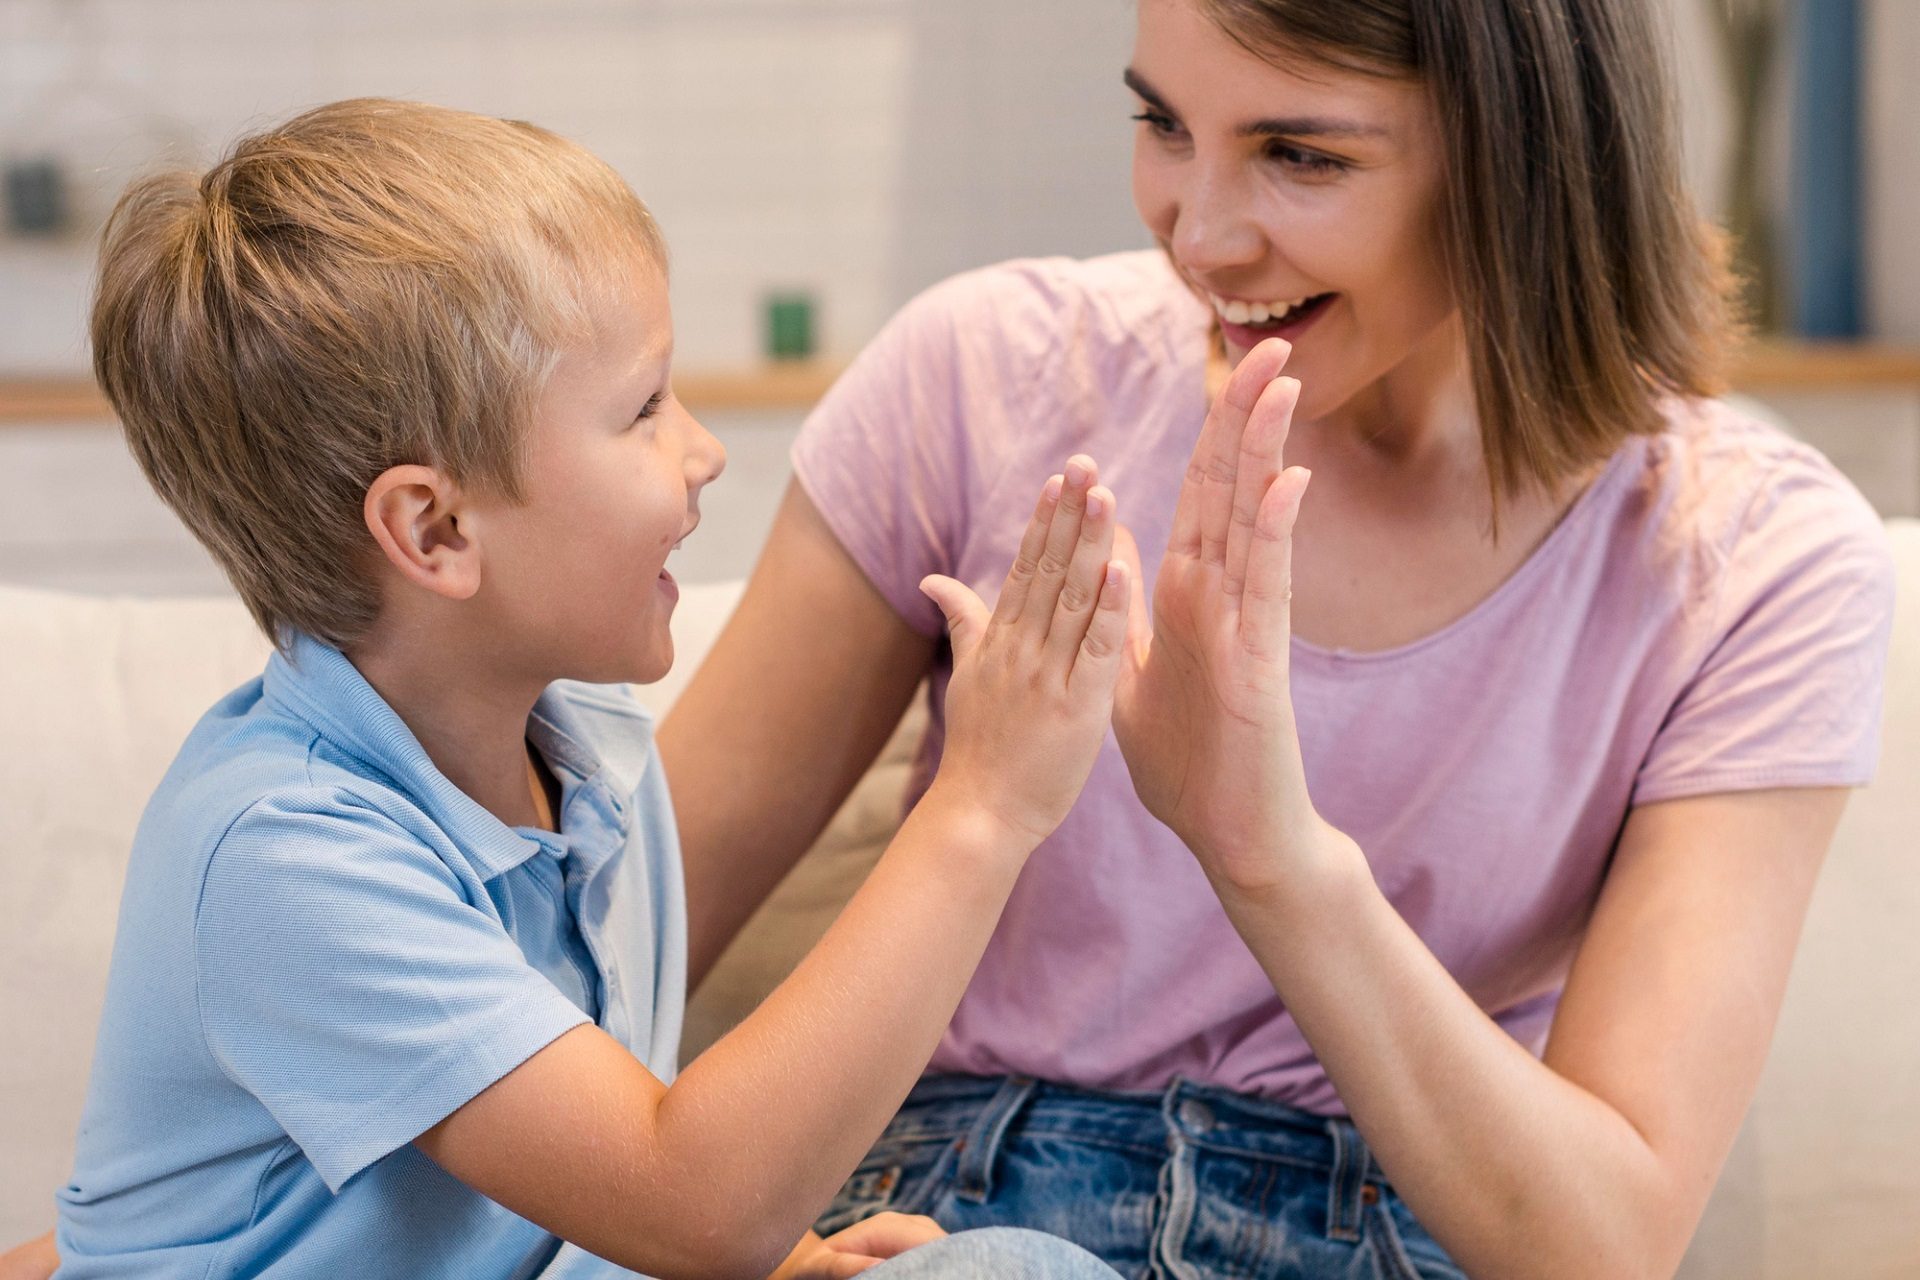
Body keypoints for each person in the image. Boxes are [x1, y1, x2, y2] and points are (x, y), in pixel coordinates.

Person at [659, 1, 1896, 1277]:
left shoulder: (1756, 558)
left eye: (1302, 156)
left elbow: (1602, 1241)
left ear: (1527, 158)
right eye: (1162, 124)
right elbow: (612, 951)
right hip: (962, 1222)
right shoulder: (987, 376)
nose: (1197, 234)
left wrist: (1272, 857)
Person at [34, 98, 1139, 1280]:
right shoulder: (282, 851)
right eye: (646, 408)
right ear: (436, 526)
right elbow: (690, 1202)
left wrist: (790, 1259)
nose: (704, 451)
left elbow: (591, 1183)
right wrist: (985, 804)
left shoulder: (594, 759)